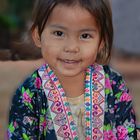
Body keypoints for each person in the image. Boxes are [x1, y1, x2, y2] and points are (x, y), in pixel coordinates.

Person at [7, 0, 137, 139]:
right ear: (38, 35)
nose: (71, 47)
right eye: (58, 33)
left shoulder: (113, 83)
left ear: (102, 41)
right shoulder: (28, 92)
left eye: (85, 36)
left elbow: (127, 130)